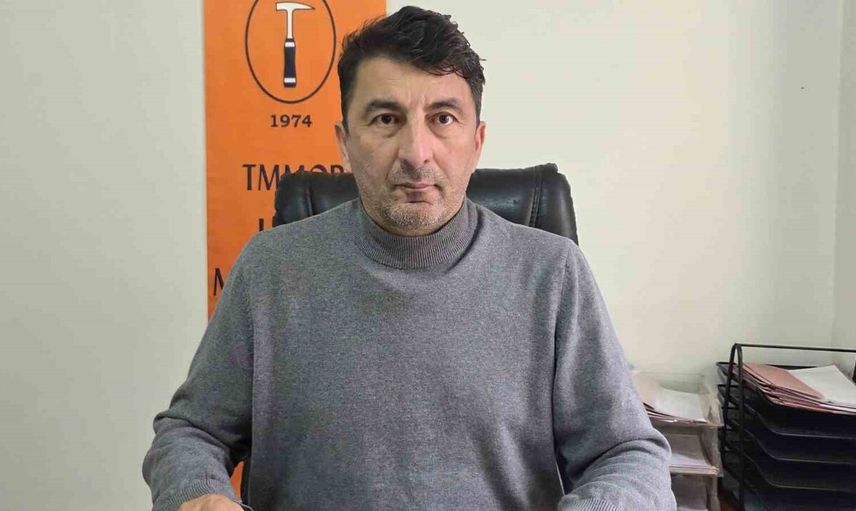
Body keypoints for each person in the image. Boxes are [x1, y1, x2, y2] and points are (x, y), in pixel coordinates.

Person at [143, 6, 675, 511]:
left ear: (477, 141)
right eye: (385, 119)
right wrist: (198, 494)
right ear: (344, 142)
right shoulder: (271, 270)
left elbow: (628, 454)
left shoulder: (552, 275)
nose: (416, 153)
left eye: (442, 118)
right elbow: (192, 432)